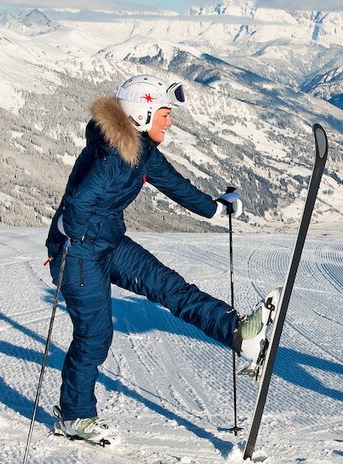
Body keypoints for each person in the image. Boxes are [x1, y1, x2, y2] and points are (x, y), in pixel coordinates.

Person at [44, 74, 279, 444]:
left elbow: (175, 185)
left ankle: (239, 335)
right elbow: (77, 202)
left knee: (171, 288)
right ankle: (74, 418)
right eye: (164, 114)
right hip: (77, 254)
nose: (169, 121)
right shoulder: (108, 156)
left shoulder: (140, 150)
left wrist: (216, 210)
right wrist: (71, 231)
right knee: (95, 336)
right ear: (142, 114)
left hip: (108, 242)